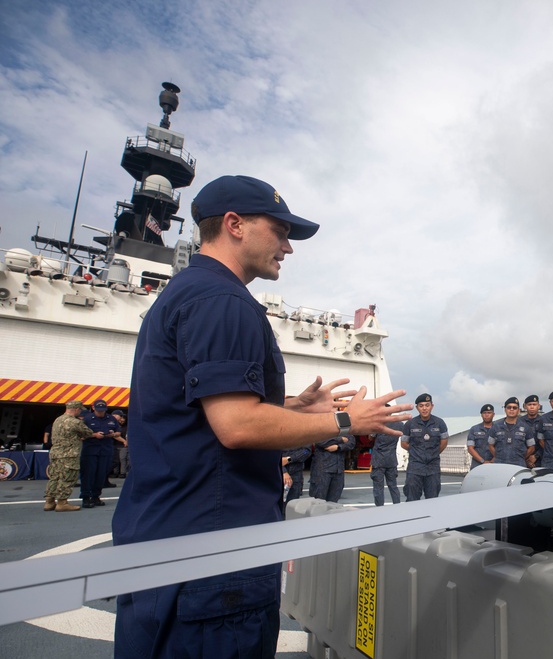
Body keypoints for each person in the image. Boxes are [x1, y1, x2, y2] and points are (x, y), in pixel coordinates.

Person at [111, 175, 409, 659]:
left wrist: (290, 408)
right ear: (234, 225)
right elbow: (238, 426)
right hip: (214, 552)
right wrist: (345, 422)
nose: (288, 247)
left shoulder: (188, 293)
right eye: (281, 230)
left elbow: (202, 415)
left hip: (171, 543)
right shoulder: (223, 303)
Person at [43, 400, 91, 512]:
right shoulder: (74, 422)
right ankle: (62, 503)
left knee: (54, 477)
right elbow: (88, 433)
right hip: (70, 454)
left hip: (55, 453)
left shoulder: (58, 420)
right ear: (77, 409)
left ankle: (49, 502)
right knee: (67, 478)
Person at [402, 393, 448, 501]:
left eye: (427, 405)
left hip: (433, 468)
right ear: (417, 407)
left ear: (432, 406)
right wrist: (416, 452)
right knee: (412, 499)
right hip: (415, 468)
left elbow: (444, 442)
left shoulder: (440, 423)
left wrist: (433, 453)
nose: (424, 408)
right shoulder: (410, 424)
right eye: (421, 406)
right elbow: (403, 443)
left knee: (432, 500)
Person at [80, 399, 119, 508]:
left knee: (101, 474)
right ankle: (86, 497)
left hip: (105, 450)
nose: (101, 412)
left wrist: (113, 434)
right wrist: (94, 435)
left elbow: (118, 431)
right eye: (98, 410)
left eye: (103, 410)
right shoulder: (87, 419)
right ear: (93, 408)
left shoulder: (111, 419)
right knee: (88, 474)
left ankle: (96, 496)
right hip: (90, 451)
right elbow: (81, 435)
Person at [489, 397, 536, 467]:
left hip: (519, 465)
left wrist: (521, 457)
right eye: (509, 407)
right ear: (505, 409)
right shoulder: (496, 427)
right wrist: (499, 456)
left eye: (514, 408)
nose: (511, 409)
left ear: (518, 410)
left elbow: (532, 447)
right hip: (499, 464)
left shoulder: (526, 427)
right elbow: (490, 445)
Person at [310, 431, 355, 502]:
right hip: (322, 470)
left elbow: (351, 442)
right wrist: (340, 439)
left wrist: (338, 447)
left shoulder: (343, 428)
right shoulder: (321, 426)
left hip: (338, 470)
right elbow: (320, 441)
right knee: (318, 502)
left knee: (333, 503)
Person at [370, 417, 404, 506]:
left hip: (378, 460)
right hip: (391, 459)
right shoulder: (399, 424)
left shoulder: (377, 424)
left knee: (378, 487)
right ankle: (397, 505)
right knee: (393, 486)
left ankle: (380, 509)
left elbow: (370, 437)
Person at [467, 404, 496, 469]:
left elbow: (501, 448)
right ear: (481, 415)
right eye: (484, 413)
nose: (487, 415)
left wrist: (492, 461)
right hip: (477, 465)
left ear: (493, 414)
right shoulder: (474, 429)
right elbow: (470, 448)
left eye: (489, 413)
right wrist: (483, 461)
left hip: (495, 465)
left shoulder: (498, 429)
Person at [522, 394, 543, 467]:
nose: (532, 407)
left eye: (534, 404)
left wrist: (536, 456)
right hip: (522, 460)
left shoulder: (544, 421)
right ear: (525, 406)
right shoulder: (519, 422)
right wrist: (526, 457)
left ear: (538, 406)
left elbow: (547, 442)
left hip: (540, 460)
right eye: (529, 404)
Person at [111, 410, 128, 478]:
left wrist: (125, 441)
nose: (122, 419)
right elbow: (114, 435)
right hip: (114, 444)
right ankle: (115, 472)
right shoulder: (113, 424)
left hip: (123, 445)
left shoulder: (126, 426)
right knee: (115, 459)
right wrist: (124, 441)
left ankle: (122, 473)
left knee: (122, 458)